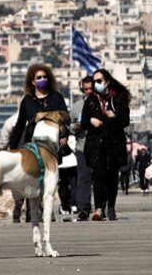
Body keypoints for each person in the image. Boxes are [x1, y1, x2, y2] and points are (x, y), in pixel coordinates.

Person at [3, 63, 67, 222]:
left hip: (51, 146)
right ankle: (31, 210)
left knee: (49, 178)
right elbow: (19, 125)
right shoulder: (27, 101)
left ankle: (47, 210)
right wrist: (12, 147)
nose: (42, 80)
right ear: (32, 81)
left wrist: (65, 136)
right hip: (32, 144)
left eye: (45, 77)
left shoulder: (56, 97)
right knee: (33, 177)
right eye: (39, 78)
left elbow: (64, 118)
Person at [82, 68, 131, 221]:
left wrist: (114, 116)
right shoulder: (91, 100)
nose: (96, 84)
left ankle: (111, 207)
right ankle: (98, 209)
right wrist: (91, 121)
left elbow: (125, 120)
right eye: (94, 81)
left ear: (107, 81)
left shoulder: (118, 97)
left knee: (111, 177)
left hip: (114, 143)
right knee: (98, 175)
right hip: (96, 145)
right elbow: (83, 122)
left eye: (99, 81)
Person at [71, 76, 94, 221]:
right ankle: (83, 208)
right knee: (83, 178)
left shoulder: (103, 104)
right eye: (86, 89)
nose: (89, 91)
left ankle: (101, 207)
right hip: (82, 147)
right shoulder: (77, 106)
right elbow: (70, 127)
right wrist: (76, 126)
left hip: (99, 148)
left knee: (100, 180)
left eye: (91, 89)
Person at [57, 134, 78, 221]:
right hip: (73, 162)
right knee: (74, 184)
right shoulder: (73, 136)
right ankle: (74, 205)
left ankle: (64, 207)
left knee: (63, 185)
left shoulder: (58, 136)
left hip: (62, 164)